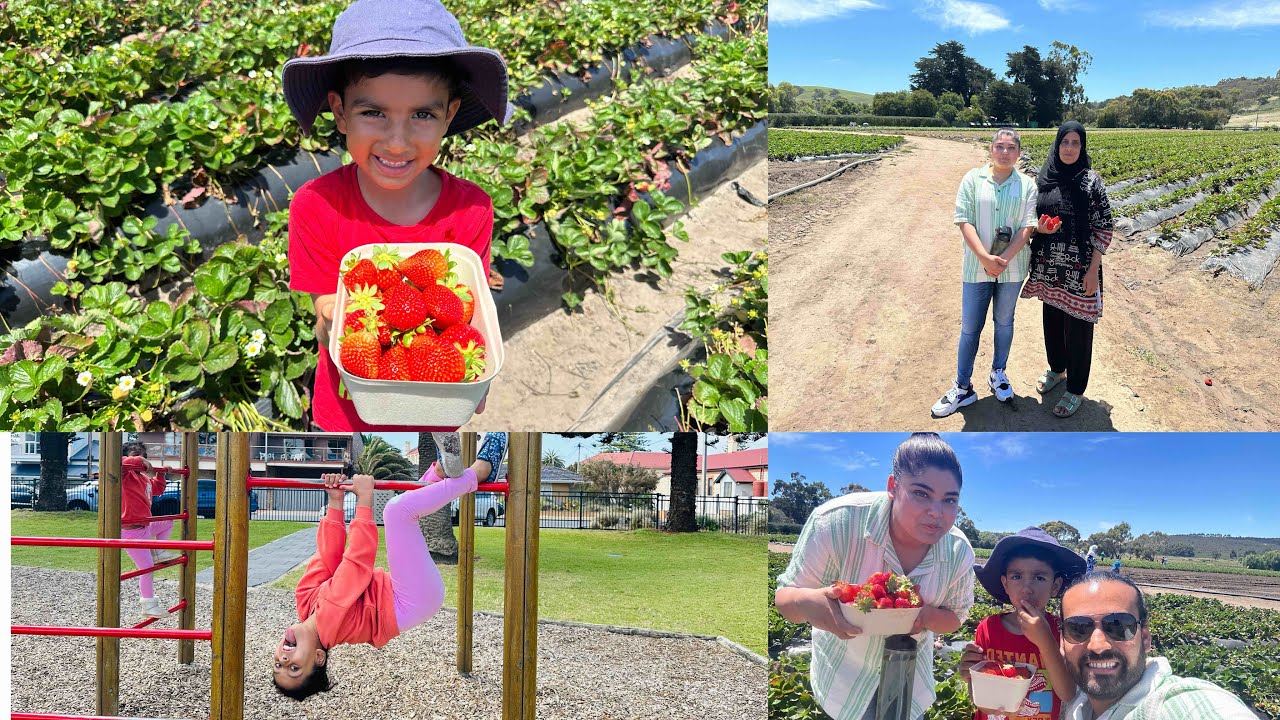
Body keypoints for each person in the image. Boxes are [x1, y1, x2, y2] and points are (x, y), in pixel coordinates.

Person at [282, 0, 512, 431]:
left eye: (422, 114)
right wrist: (330, 317)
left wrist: (474, 370)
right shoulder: (315, 206)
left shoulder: (472, 209)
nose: (397, 142)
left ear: (450, 116)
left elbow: (468, 310)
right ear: (339, 111)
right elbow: (323, 317)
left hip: (435, 404)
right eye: (374, 113)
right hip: (347, 411)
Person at [271, 432, 492, 700]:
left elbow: (326, 556)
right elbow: (356, 564)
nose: (284, 657)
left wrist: (335, 503)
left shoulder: (305, 602)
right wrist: (364, 501)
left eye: (278, 664)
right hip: (411, 600)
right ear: (319, 658)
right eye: (294, 666)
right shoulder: (330, 619)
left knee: (406, 506)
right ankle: (479, 472)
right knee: (397, 511)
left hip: (401, 595)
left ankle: (440, 472)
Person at [774, 433, 976, 720]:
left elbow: (956, 615)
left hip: (909, 684)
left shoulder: (958, 551)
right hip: (842, 683)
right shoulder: (835, 522)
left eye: (949, 500)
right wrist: (808, 602)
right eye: (921, 493)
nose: (936, 512)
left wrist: (920, 617)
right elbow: (785, 598)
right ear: (893, 486)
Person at [933, 128, 1039, 418]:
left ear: (1018, 153)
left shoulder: (1028, 185)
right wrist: (984, 257)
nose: (1005, 152)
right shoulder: (972, 179)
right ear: (991, 149)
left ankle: (998, 373)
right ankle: (963, 387)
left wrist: (1002, 258)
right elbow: (964, 220)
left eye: (1011, 148)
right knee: (970, 327)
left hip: (1012, 266)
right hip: (976, 267)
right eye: (1000, 146)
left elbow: (1027, 226)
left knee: (1004, 322)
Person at [1058, 572, 1256, 719]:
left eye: (1118, 626)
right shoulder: (1074, 702)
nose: (1097, 645)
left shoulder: (1176, 704)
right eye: (1078, 628)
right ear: (1062, 642)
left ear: (1145, 639)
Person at [1020, 121, 1115, 418]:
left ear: (1082, 147)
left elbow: (1103, 227)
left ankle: (1075, 388)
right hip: (1049, 267)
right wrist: (1040, 229)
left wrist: (1092, 270)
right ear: (1057, 144)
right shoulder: (1045, 179)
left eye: (1076, 143)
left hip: (1079, 269)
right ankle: (1057, 369)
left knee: (1078, 329)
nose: (1070, 148)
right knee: (1052, 321)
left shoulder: (1091, 182)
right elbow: (1031, 219)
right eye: (1065, 142)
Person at [961, 528, 1087, 720]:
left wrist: (1045, 641)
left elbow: (1067, 694)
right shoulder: (988, 629)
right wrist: (970, 676)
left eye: (1039, 578)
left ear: (1055, 586)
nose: (1027, 589)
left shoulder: (1063, 631)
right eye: (1017, 577)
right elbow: (979, 699)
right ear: (1005, 584)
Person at [120, 441, 178, 619]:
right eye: (136, 453)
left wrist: (160, 472)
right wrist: (140, 461)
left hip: (144, 526)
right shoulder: (123, 474)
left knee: (168, 521)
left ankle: (158, 550)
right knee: (147, 568)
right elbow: (123, 462)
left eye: (144, 454)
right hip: (130, 532)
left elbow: (158, 489)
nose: (141, 458)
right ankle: (148, 604)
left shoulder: (143, 478)